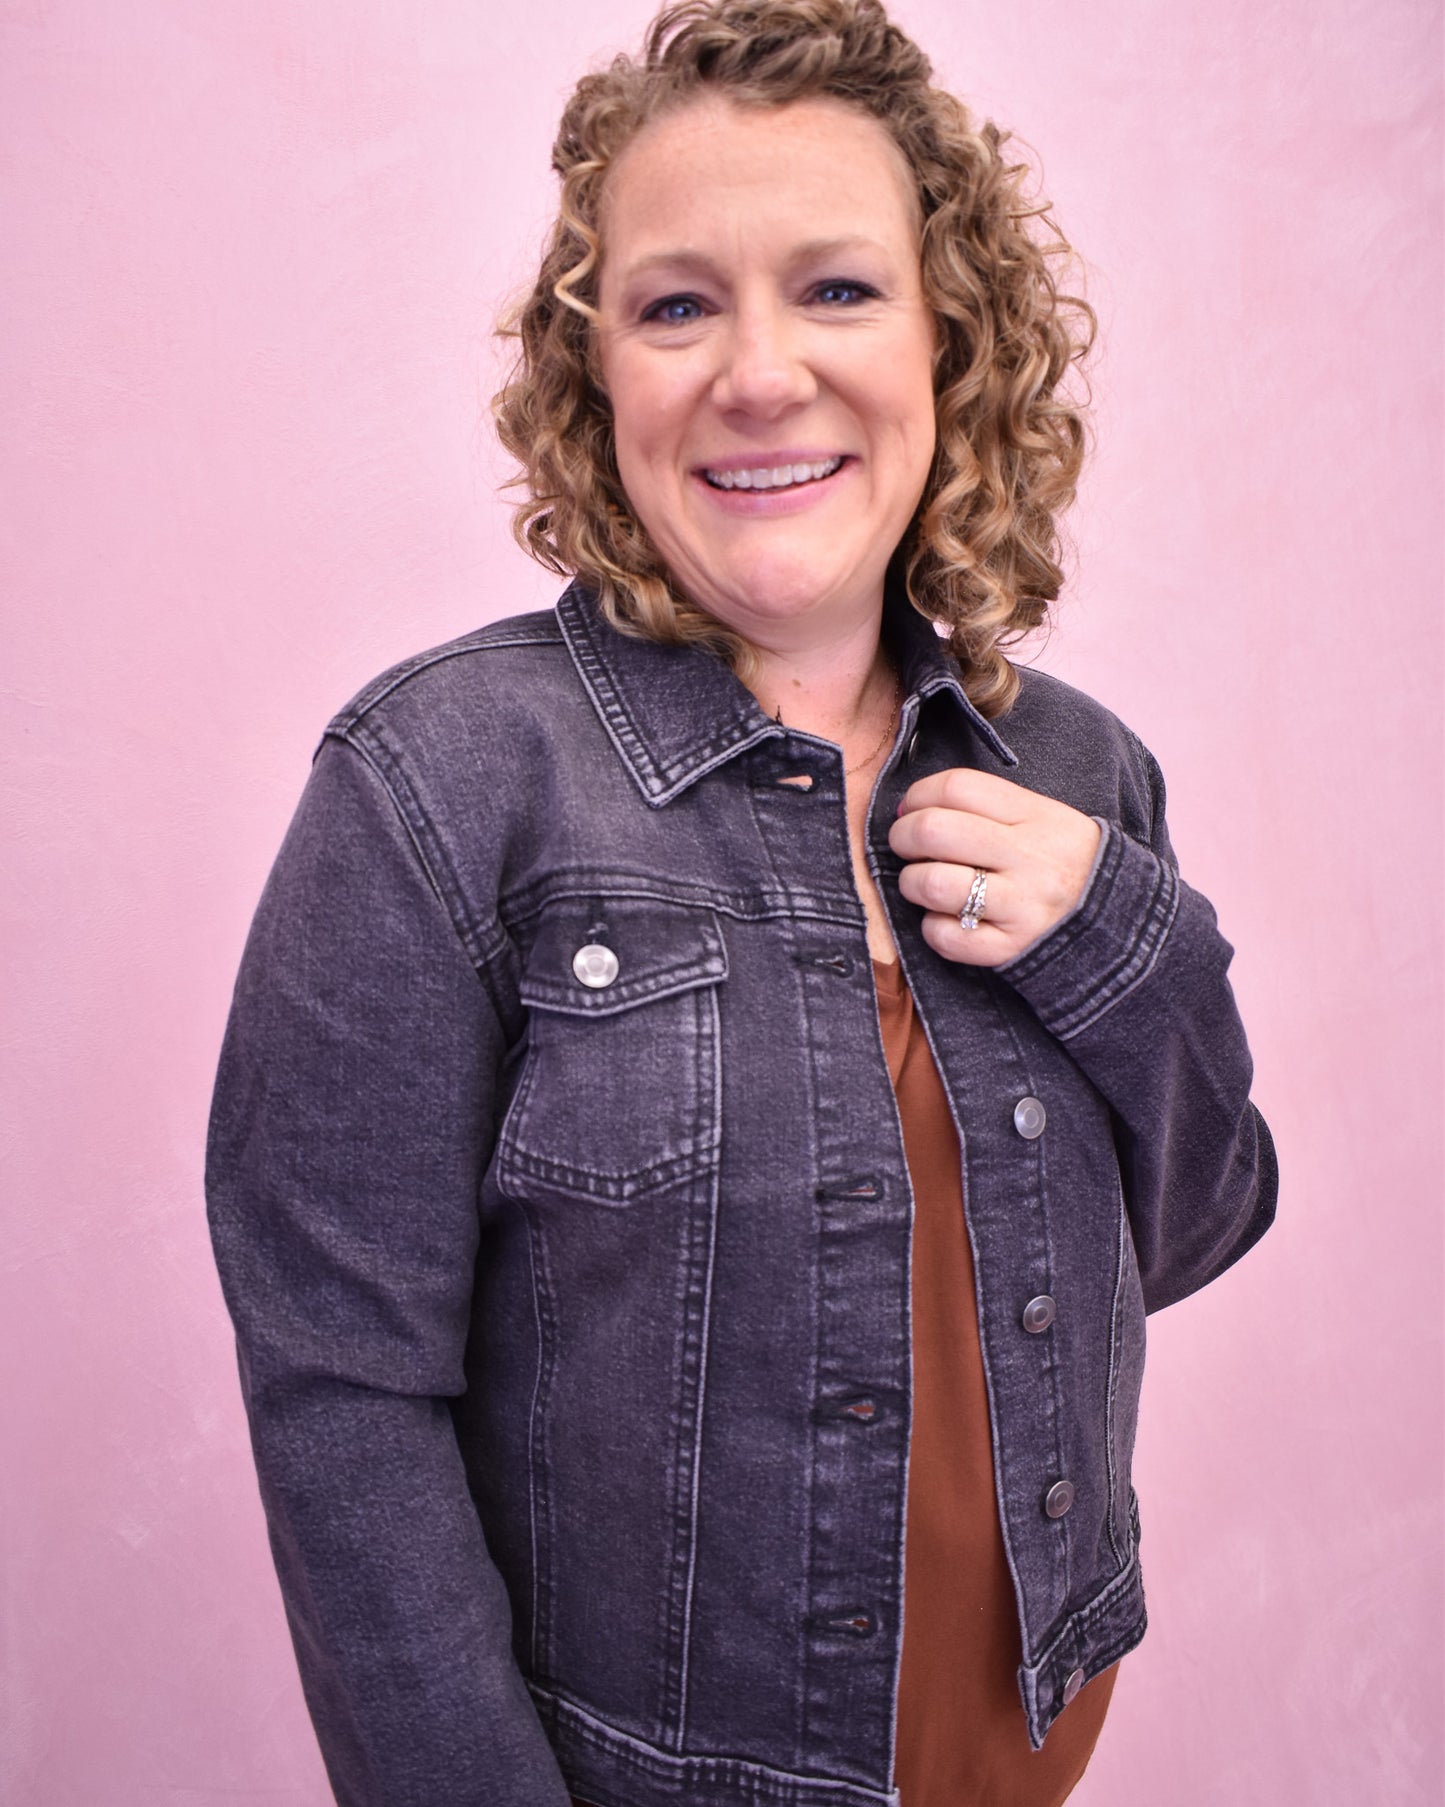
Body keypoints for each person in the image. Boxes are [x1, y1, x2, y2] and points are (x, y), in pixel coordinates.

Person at [205, 2, 1278, 1803]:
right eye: (676, 302)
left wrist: (1121, 938)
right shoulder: (432, 784)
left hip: (1030, 1748)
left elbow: (1194, 1224)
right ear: (594, 372)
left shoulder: (1078, 772)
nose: (758, 371)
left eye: (837, 290)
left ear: (953, 343)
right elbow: (341, 1404)